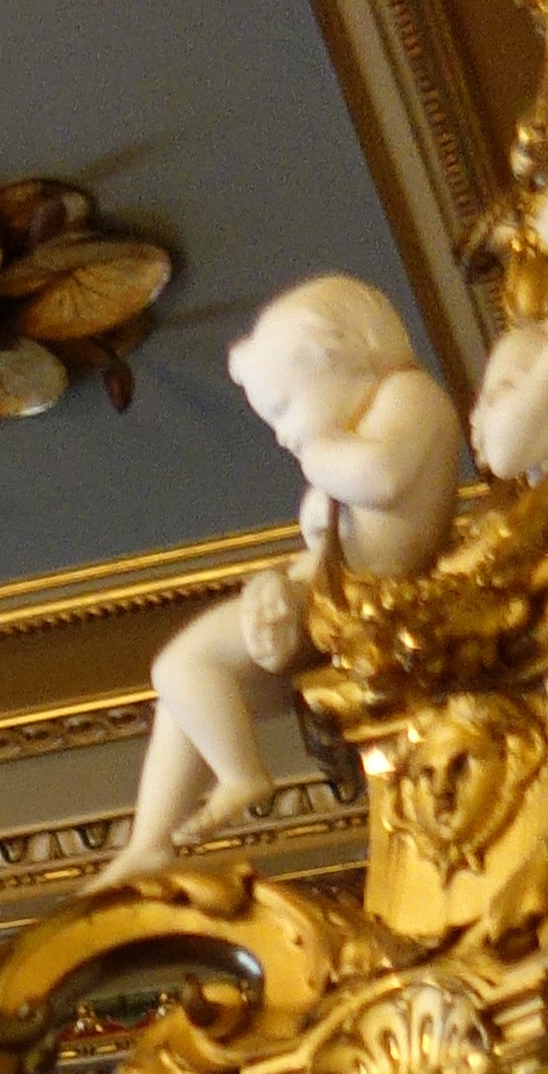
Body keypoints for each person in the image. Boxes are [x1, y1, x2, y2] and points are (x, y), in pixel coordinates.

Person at [99, 280, 466, 882]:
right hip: (324, 599)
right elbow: (334, 534)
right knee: (188, 695)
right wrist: (276, 584)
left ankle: (240, 774)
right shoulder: (362, 425)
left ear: (339, 359)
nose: (281, 434)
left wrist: (318, 451)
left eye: (284, 407)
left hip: (363, 601)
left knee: (181, 666)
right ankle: (150, 842)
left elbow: (383, 478)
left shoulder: (407, 394)